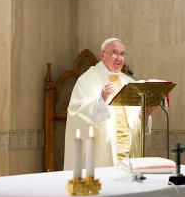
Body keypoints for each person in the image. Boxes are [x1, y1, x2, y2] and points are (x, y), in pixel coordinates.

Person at [63, 38, 155, 170]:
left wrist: (145, 114)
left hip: (129, 155)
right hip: (100, 155)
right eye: (115, 53)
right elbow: (75, 114)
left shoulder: (129, 81)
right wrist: (101, 101)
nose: (119, 58)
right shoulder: (87, 79)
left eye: (122, 54)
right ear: (102, 55)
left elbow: (135, 122)